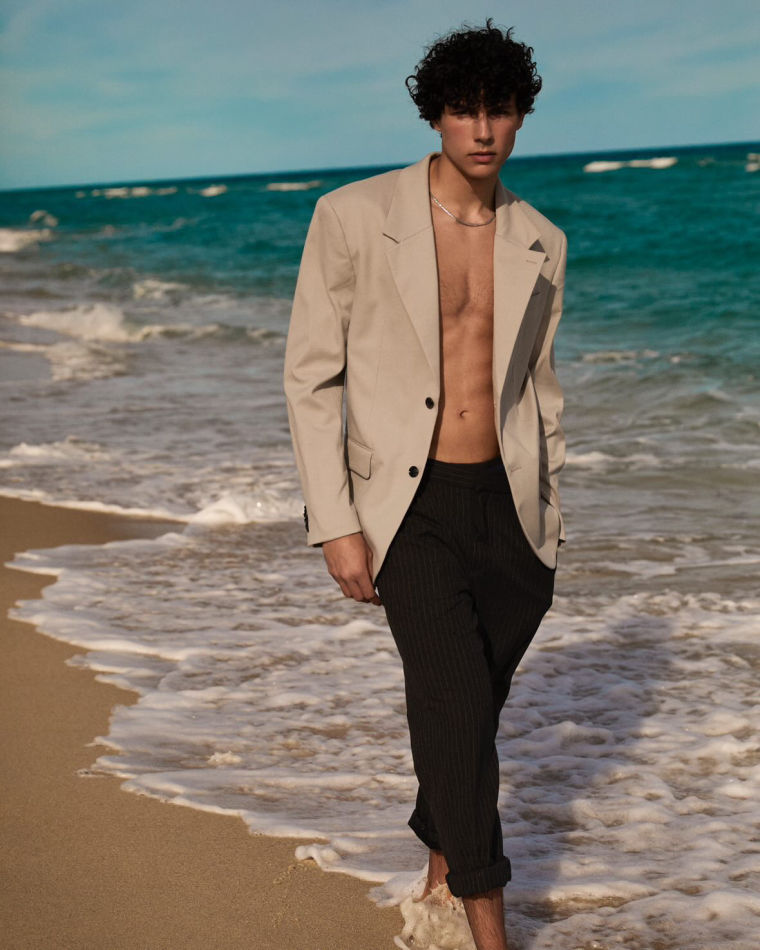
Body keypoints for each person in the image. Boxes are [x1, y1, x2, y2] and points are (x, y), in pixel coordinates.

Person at [283, 19, 567, 950]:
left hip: (510, 511)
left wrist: (550, 513)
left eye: (500, 109)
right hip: (407, 509)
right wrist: (335, 523)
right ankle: (489, 927)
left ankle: (439, 847)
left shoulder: (542, 240)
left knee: (468, 711)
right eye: (463, 110)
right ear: (435, 116)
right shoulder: (353, 216)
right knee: (455, 706)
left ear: (520, 116)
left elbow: (539, 389)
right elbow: (310, 376)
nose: (482, 129)